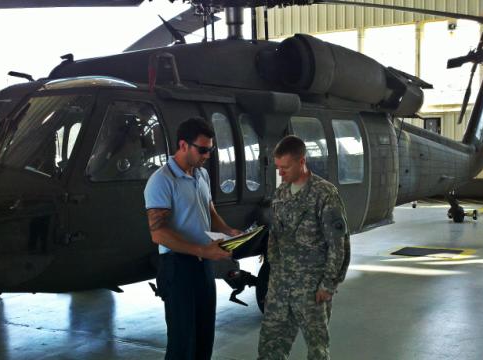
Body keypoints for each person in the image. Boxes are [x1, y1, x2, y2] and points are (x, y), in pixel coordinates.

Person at [144, 117, 241, 360]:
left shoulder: (202, 175)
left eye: (210, 149)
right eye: (203, 149)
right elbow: (159, 233)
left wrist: (230, 232)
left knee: (204, 335)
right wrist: (202, 250)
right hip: (178, 268)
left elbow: (209, 211)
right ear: (183, 145)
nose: (207, 154)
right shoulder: (161, 180)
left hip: (203, 266)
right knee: (183, 342)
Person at [258, 135, 351, 360]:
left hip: (311, 289)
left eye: (285, 167)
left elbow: (339, 245)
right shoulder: (281, 193)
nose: (281, 173)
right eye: (278, 167)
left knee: (317, 350)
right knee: (270, 346)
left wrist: (328, 285)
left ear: (302, 161)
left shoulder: (324, 194)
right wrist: (272, 274)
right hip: (280, 286)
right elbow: (276, 236)